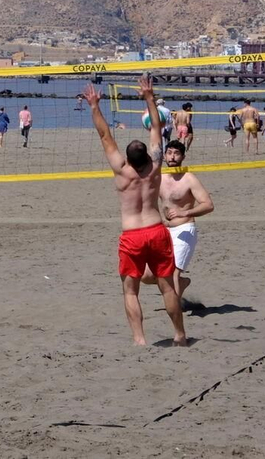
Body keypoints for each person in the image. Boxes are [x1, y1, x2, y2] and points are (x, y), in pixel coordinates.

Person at [83, 75, 187, 347]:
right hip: (157, 230)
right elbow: (156, 127)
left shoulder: (122, 170)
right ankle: (179, 334)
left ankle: (139, 339)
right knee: (167, 285)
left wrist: (94, 106)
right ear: (149, 156)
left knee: (130, 291)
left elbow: (105, 136)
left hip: (133, 236)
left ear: (127, 158)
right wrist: (149, 98)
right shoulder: (156, 166)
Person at [150, 139, 213, 306]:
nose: (172, 157)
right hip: (164, 231)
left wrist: (184, 212)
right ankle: (182, 284)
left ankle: (175, 311)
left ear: (183, 157)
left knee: (173, 273)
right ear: (164, 156)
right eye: (169, 153)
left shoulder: (189, 179)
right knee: (147, 275)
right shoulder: (159, 177)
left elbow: (208, 205)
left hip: (184, 230)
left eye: (177, 153)